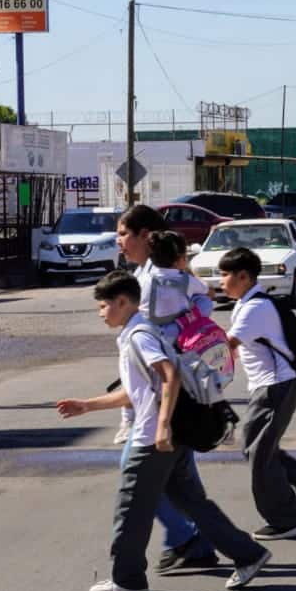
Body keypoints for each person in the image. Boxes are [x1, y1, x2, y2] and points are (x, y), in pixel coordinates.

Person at [56, 271, 270, 591]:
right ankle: (248, 554)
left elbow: (170, 377)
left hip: (154, 439)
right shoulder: (138, 332)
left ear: (123, 302)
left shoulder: (140, 335)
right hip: (167, 436)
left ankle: (127, 578)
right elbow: (138, 391)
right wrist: (87, 405)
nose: (101, 313)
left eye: (104, 306)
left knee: (130, 508)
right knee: (194, 504)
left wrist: (162, 426)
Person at [116, 205, 217, 571]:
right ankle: (197, 541)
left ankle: (188, 538)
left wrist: (173, 334)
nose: (119, 241)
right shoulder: (145, 275)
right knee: (181, 480)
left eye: (125, 233)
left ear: (145, 235)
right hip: (157, 391)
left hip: (166, 394)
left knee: (138, 473)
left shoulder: (162, 278)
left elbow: (202, 304)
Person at [219, 246, 296, 540]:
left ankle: (287, 519)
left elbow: (226, 347)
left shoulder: (255, 307)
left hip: (276, 386)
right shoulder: (246, 303)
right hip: (270, 386)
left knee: (258, 453)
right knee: (258, 449)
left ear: (243, 276)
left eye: (224, 275)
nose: (220, 281)